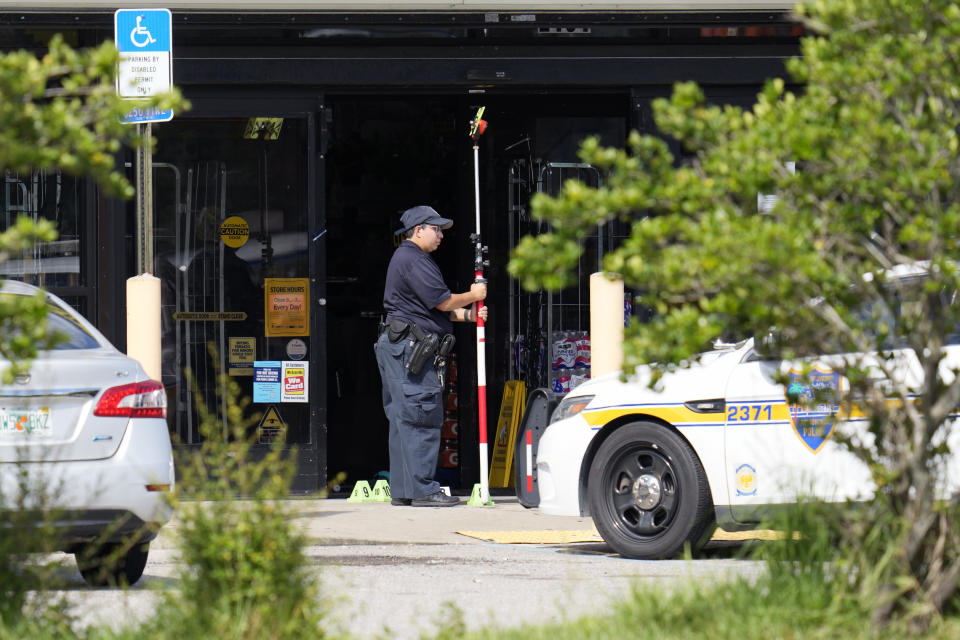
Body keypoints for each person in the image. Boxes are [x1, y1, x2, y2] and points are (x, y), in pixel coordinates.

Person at [374, 205, 488, 507]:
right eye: (435, 229)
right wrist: (474, 296)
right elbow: (442, 302)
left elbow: (432, 309)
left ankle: (405, 490)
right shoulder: (414, 259)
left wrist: (468, 315)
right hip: (411, 350)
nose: (440, 235)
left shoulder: (408, 259)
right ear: (418, 230)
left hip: (402, 346)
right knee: (420, 415)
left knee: (403, 418)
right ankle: (424, 490)